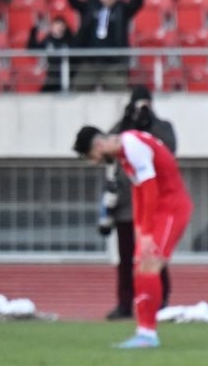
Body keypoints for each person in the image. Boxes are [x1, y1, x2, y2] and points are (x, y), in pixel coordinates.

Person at [72, 120, 192, 350]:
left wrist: (146, 231)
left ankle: (148, 333)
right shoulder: (125, 154)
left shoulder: (133, 145)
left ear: (98, 146)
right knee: (139, 265)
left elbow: (150, 188)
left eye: (92, 156)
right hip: (160, 210)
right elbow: (138, 191)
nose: (96, 161)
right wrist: (139, 227)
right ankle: (144, 331)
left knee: (150, 264)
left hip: (171, 209)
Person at [103, 88, 176, 322]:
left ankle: (160, 301)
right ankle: (125, 302)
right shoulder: (122, 130)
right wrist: (128, 120)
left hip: (152, 203)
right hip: (126, 205)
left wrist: (149, 122)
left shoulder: (162, 127)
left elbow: (169, 148)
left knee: (154, 256)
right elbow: (110, 150)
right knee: (126, 258)